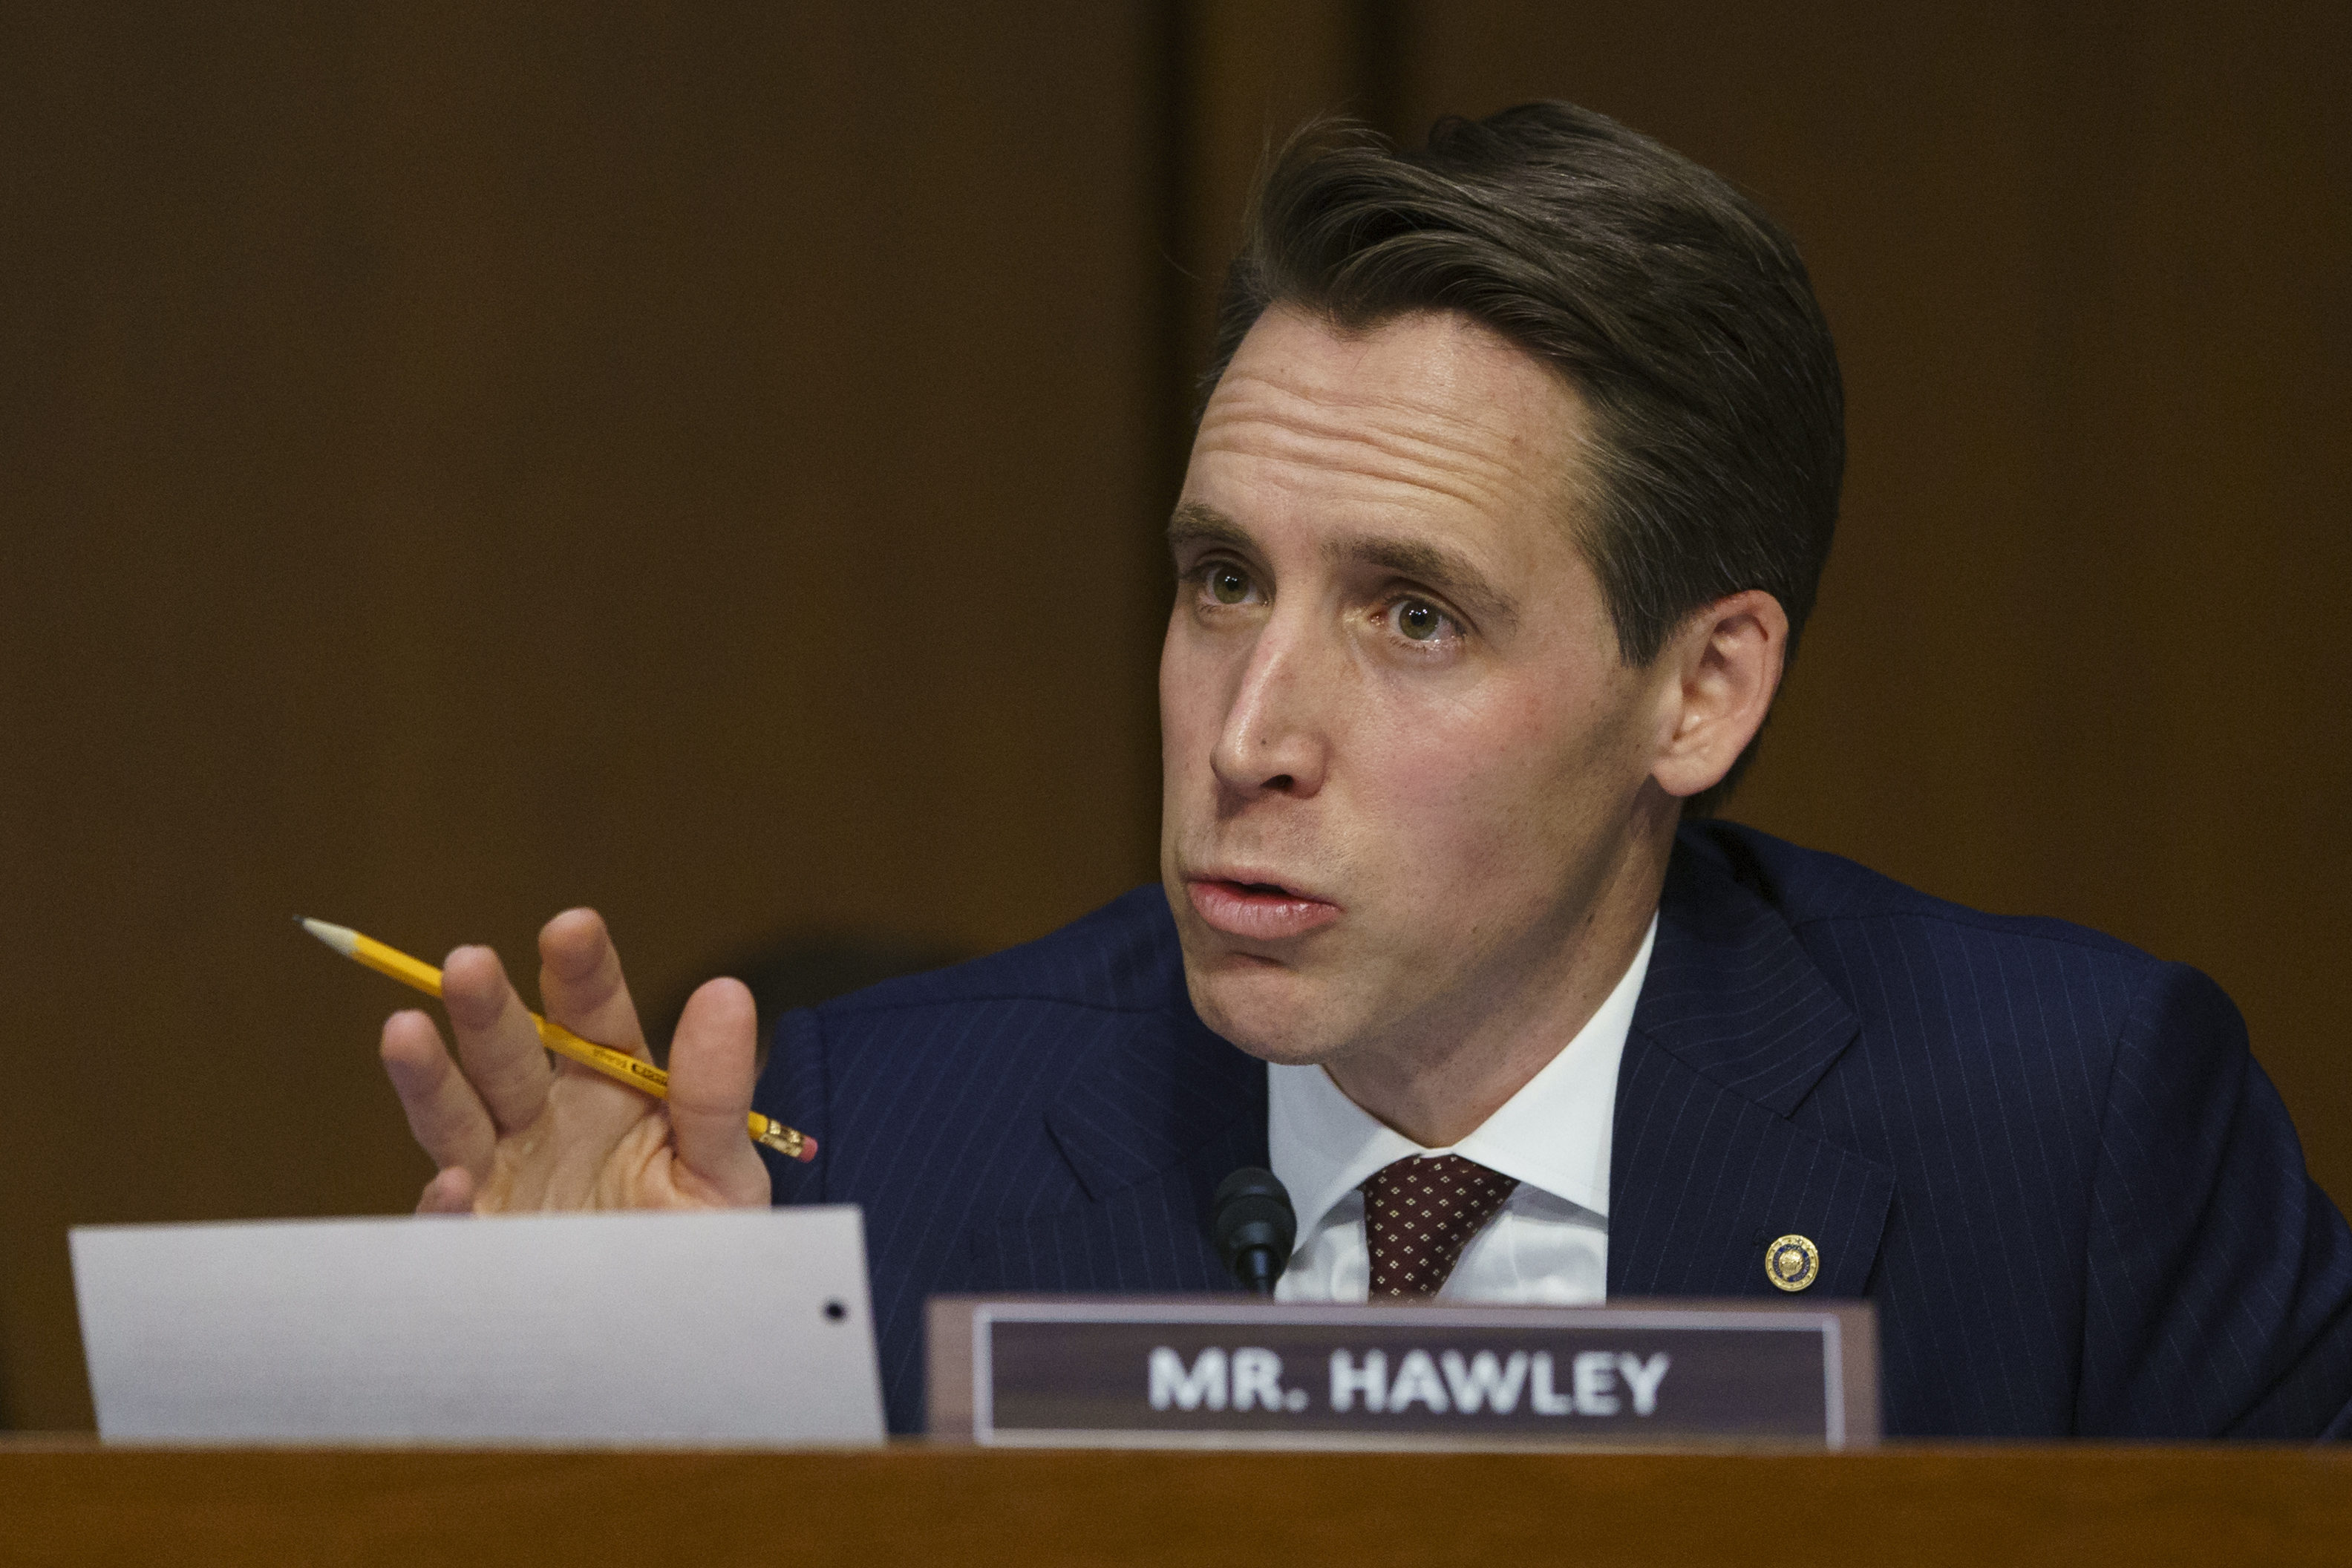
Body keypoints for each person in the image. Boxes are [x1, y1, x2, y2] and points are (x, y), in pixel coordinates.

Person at [376, 102, 2352, 1438]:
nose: (1249, 737)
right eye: (1224, 582)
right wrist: (593, 1425)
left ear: (1702, 691)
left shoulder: (2076, 1141)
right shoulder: (859, 1158)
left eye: (1415, 616)